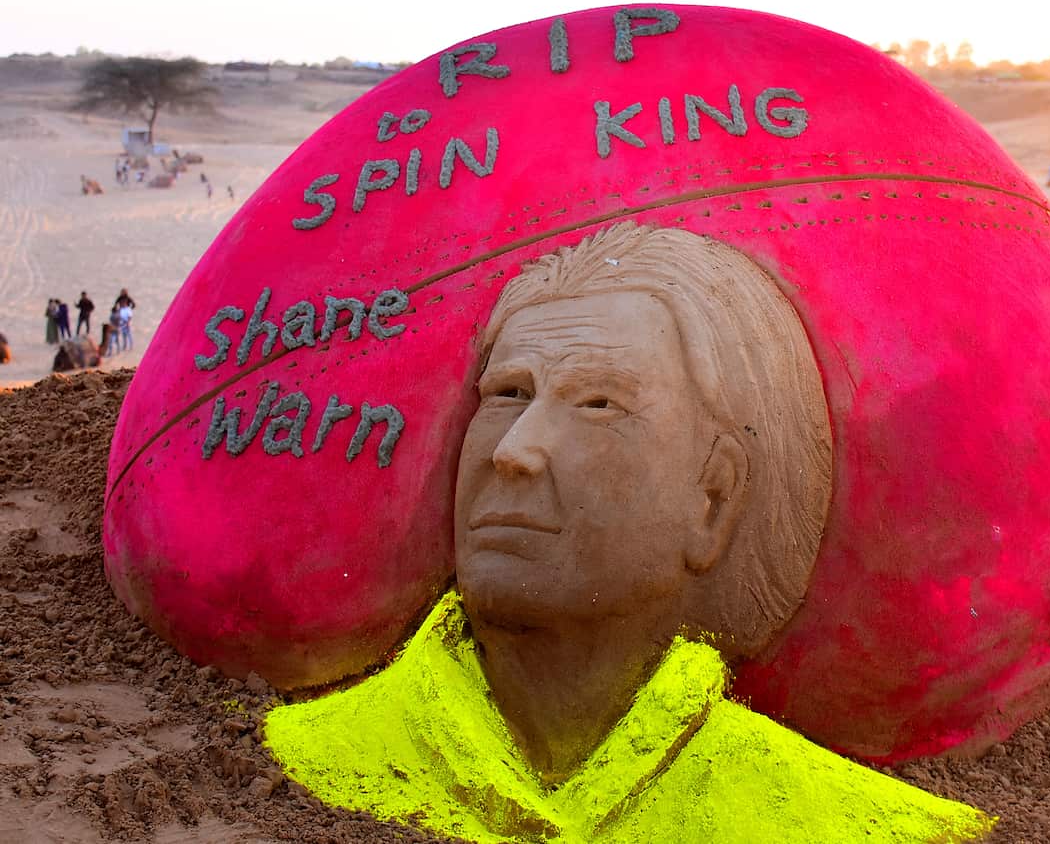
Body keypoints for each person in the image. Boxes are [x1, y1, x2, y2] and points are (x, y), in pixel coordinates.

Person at [265, 223, 994, 843]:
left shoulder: (846, 820)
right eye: (509, 394)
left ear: (714, 497)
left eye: (597, 404)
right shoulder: (300, 756)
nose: (512, 451)